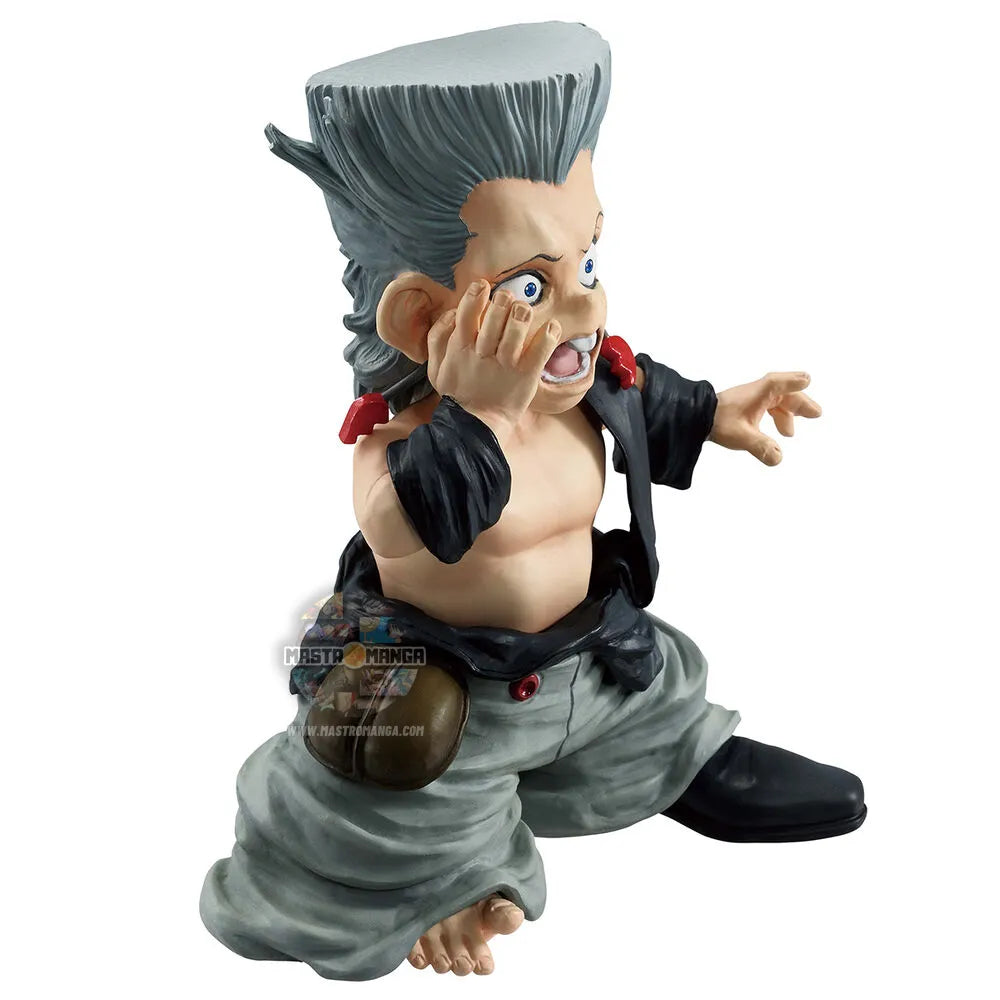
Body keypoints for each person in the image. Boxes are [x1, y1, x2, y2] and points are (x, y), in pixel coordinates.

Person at [201, 21, 865, 981]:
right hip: (456, 701)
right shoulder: (392, 446)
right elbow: (417, 519)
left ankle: (668, 761)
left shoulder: (582, 389)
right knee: (392, 782)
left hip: (590, 660)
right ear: (424, 317)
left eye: (588, 263)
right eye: (530, 286)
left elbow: (641, 392)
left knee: (660, 688)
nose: (587, 308)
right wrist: (479, 413)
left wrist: (714, 411)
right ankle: (438, 879)